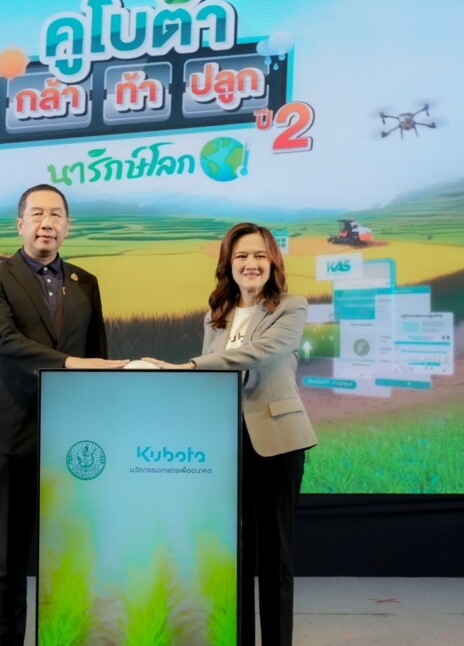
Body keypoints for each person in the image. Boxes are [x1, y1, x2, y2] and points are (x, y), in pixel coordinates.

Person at [145, 221, 317, 646]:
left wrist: (190, 366)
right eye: (241, 256)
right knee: (233, 555)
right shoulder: (216, 315)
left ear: (272, 262)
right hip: (224, 446)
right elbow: (210, 379)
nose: (250, 263)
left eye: (259, 255)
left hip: (276, 441)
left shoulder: (291, 307)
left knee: (275, 556)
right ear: (229, 264)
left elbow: (261, 353)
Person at [0, 183, 127, 646]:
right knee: (10, 559)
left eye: (56, 214)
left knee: (72, 552)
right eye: (37, 214)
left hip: (76, 439)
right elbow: (3, 340)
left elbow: (98, 355)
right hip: (14, 431)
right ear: (20, 223)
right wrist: (70, 363)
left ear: (67, 225)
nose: (47, 223)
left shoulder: (86, 282)